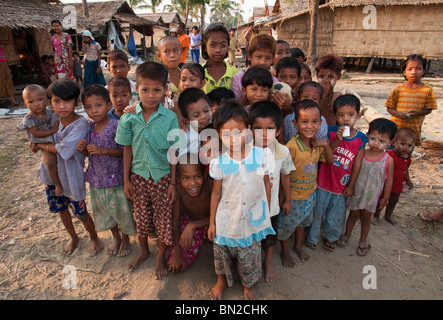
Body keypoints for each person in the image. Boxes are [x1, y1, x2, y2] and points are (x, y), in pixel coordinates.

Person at [115, 62, 185, 277]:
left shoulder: (170, 118)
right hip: (138, 176)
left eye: (157, 90)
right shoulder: (129, 117)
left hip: (163, 177)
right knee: (141, 217)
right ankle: (144, 251)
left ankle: (160, 256)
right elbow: (127, 149)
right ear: (137, 88)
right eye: (145, 89)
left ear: (165, 89)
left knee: (163, 220)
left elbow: (174, 152)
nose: (151, 95)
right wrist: (126, 180)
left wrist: (173, 182)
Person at [208, 101, 275, 300]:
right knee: (222, 254)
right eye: (226, 134)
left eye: (238, 132)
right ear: (219, 134)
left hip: (253, 218)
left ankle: (248, 284)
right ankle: (221, 281)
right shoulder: (219, 162)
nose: (233, 139)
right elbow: (215, 194)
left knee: (250, 257)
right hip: (227, 218)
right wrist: (212, 222)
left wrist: (267, 214)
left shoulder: (262, 155)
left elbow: (266, 185)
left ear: (247, 131)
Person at [30, 79, 103, 255]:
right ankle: (74, 236)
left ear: (76, 102)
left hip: (72, 177)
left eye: (67, 101)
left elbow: (64, 149)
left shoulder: (81, 124)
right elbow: (34, 133)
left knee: (81, 212)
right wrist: (33, 142)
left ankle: (93, 236)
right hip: (52, 177)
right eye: (56, 101)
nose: (62, 106)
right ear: (50, 102)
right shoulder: (52, 118)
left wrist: (40, 145)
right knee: (61, 210)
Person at [76, 84, 136, 256]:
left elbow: (126, 151)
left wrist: (104, 150)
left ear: (108, 105)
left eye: (98, 105)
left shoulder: (116, 126)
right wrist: (83, 149)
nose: (94, 110)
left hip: (115, 179)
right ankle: (116, 237)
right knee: (106, 212)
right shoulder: (89, 128)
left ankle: (125, 239)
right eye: (88, 107)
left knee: (121, 211)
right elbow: (90, 153)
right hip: (97, 180)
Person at [306, 94, 367, 251]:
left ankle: (331, 237)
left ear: (358, 115)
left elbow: (357, 164)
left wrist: (351, 185)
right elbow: (325, 157)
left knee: (336, 214)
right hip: (322, 182)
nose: (346, 119)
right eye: (341, 115)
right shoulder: (331, 132)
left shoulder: (361, 139)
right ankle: (312, 237)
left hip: (341, 185)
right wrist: (337, 141)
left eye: (351, 114)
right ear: (335, 116)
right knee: (317, 211)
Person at [277, 99, 333, 266]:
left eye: (315, 121)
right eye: (305, 121)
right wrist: (286, 199)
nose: (310, 126)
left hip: (309, 195)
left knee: (302, 223)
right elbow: (284, 175)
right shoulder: (291, 147)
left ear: (320, 122)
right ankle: (285, 251)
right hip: (293, 197)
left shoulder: (317, 144)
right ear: (295, 123)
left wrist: (326, 144)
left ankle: (298, 246)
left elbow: (329, 161)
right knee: (286, 226)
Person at [249, 101, 295, 282]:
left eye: (269, 129)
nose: (263, 134)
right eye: (258, 128)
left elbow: (285, 176)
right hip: (249, 207)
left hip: (272, 208)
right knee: (251, 238)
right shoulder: (244, 151)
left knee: (269, 238)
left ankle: (268, 262)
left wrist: (288, 200)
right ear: (250, 129)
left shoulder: (283, 152)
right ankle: (251, 264)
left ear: (278, 130)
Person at [338, 118, 397, 256]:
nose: (376, 143)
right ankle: (347, 234)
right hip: (357, 191)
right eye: (373, 138)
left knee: (365, 218)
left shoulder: (389, 160)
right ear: (367, 135)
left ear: (391, 142)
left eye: (382, 141)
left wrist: (385, 198)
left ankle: (363, 240)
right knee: (353, 215)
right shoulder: (362, 152)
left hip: (371, 195)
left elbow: (389, 181)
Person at [168, 153, 212, 272]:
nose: (192, 183)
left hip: (212, 223)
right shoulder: (179, 190)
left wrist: (192, 226)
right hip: (191, 221)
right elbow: (176, 219)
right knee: (177, 262)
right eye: (186, 178)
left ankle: (208, 241)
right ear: (178, 179)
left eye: (197, 176)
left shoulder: (210, 185)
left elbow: (220, 215)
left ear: (204, 174)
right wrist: (177, 252)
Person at [17, 84, 62, 196]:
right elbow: (36, 133)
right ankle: (57, 184)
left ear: (47, 101)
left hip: (54, 140)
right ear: (25, 104)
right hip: (42, 141)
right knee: (51, 163)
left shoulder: (50, 111)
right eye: (31, 102)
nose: (36, 104)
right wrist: (52, 130)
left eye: (39, 100)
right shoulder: (29, 118)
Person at [385, 54, 437, 147]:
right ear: (404, 72)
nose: (414, 72)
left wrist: (416, 113)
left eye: (418, 69)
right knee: (391, 154)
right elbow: (389, 108)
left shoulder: (427, 90)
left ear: (424, 71)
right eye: (410, 69)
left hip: (412, 131)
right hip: (396, 130)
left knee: (406, 155)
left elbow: (429, 109)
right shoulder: (398, 89)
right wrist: (398, 114)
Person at [373, 128, 417, 225]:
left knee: (393, 202)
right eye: (402, 144)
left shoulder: (408, 158)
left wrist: (408, 180)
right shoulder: (389, 155)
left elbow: (405, 169)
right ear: (394, 142)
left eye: (410, 145)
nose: (405, 148)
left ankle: (388, 216)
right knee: (381, 200)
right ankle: (376, 215)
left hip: (398, 186)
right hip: (386, 184)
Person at [232, 33, 278, 100]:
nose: (263, 62)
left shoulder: (275, 82)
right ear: (249, 56)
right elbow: (234, 106)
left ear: (273, 59)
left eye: (268, 58)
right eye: (259, 57)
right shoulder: (238, 79)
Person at [201, 23, 239, 94]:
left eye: (223, 45)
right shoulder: (198, 73)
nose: (218, 50)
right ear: (205, 47)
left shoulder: (234, 73)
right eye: (213, 45)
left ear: (228, 46)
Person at [177, 87, 213, 159]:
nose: (203, 116)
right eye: (196, 115)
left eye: (206, 111)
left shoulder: (218, 125)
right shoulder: (186, 137)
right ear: (187, 120)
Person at [315, 53, 344, 125]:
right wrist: (323, 95)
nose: (325, 80)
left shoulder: (338, 99)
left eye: (330, 77)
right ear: (316, 76)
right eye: (321, 76)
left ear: (338, 76)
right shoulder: (312, 96)